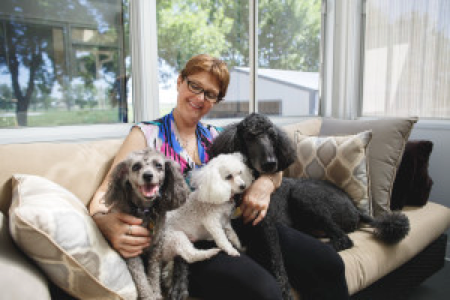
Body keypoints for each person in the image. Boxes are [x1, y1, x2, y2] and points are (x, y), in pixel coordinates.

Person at [89, 53, 349, 300]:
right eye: (194, 85)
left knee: (330, 263)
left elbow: (273, 166)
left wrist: (265, 184)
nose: (200, 97)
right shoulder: (145, 134)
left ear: (216, 101)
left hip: (234, 225)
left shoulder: (219, 137)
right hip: (182, 238)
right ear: (179, 82)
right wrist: (105, 223)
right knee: (265, 291)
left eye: (210, 94)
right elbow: (104, 193)